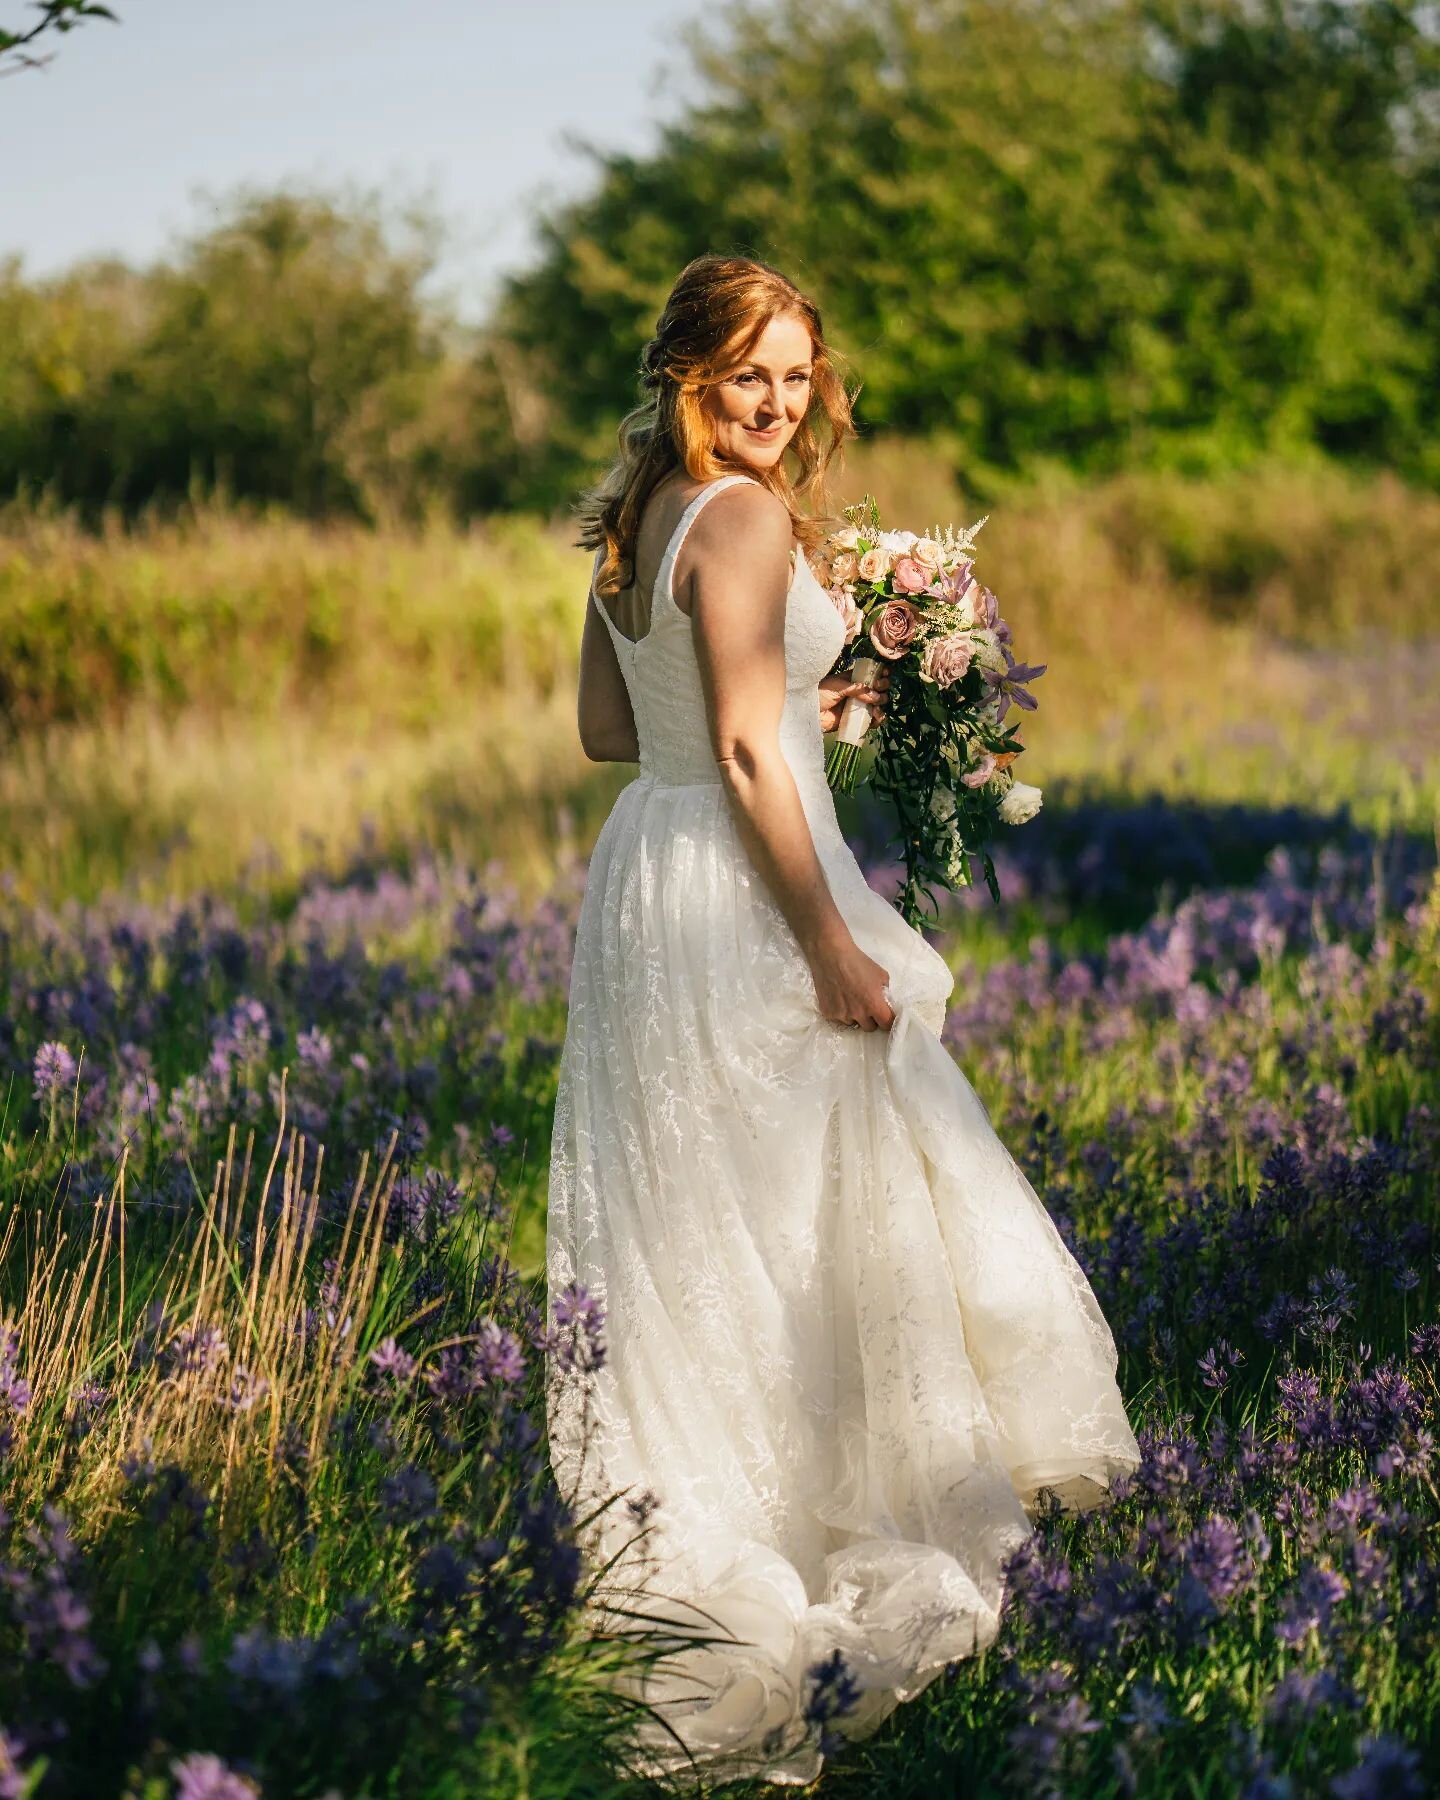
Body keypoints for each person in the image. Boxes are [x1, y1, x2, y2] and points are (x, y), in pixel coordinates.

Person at [546, 253, 1140, 1786]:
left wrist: (805, 712)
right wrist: (828, 938)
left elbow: (622, 730)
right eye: (749, 369)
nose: (777, 400)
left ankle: (719, 1518)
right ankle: (830, 1540)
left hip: (647, 878)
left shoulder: (632, 522)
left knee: (708, 1220)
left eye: (798, 375)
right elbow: (743, 756)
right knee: (818, 1202)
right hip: (743, 887)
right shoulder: (739, 516)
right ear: (691, 368)